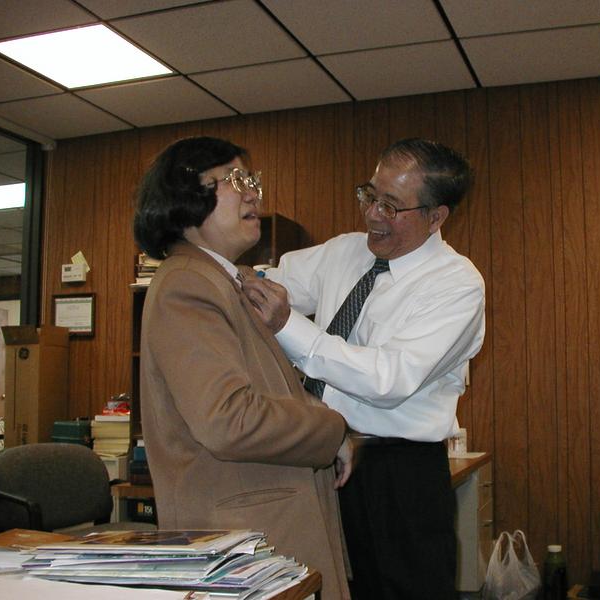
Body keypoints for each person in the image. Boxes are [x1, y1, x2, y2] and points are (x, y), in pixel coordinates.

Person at [242, 138, 486, 600]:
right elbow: (269, 280)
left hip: (398, 471)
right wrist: (221, 269)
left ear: (437, 217)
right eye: (369, 195)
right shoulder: (346, 252)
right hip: (322, 449)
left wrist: (288, 325)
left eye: (391, 206)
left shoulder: (457, 285)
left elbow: (388, 379)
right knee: (327, 585)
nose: (373, 214)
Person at [133, 136, 352, 600]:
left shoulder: (228, 281)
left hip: (265, 543)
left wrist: (312, 409)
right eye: (235, 181)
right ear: (187, 195)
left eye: (252, 180)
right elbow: (229, 420)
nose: (253, 193)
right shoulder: (188, 284)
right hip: (244, 550)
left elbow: (267, 393)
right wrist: (332, 428)